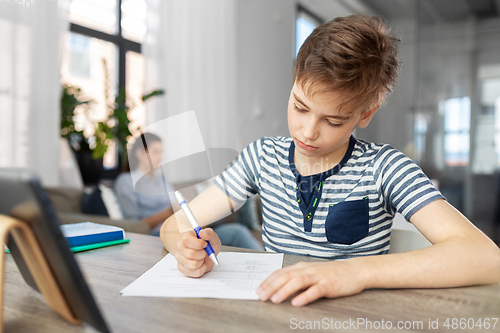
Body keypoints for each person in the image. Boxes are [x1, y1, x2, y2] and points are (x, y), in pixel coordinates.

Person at [160, 15, 500, 306]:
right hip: (275, 312)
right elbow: (174, 225)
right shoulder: (262, 157)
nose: (308, 132)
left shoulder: (385, 168)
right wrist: (185, 248)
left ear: (365, 115)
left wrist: (353, 271)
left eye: (333, 121)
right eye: (299, 107)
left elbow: (485, 258)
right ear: (293, 84)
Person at [115, 133, 263, 250]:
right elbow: (134, 224)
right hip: (161, 233)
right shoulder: (126, 181)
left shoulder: (161, 179)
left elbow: (175, 203)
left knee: (235, 226)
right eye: (155, 152)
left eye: (161, 152)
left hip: (184, 226)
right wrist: (168, 213)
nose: (160, 157)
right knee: (237, 232)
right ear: (140, 154)